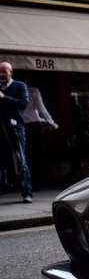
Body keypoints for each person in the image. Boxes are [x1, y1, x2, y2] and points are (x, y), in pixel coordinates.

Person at [0, 62, 32, 203]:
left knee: (21, 160)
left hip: (16, 127)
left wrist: (4, 97)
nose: (1, 74)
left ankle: (27, 193)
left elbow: (23, 103)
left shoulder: (20, 86)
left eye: (4, 71)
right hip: (1, 128)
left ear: (11, 72)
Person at [23, 84, 58, 191]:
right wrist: (51, 122)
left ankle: (25, 183)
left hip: (20, 125)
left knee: (25, 156)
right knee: (36, 155)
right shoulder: (33, 91)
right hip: (33, 125)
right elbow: (41, 109)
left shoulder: (12, 89)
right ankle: (36, 183)